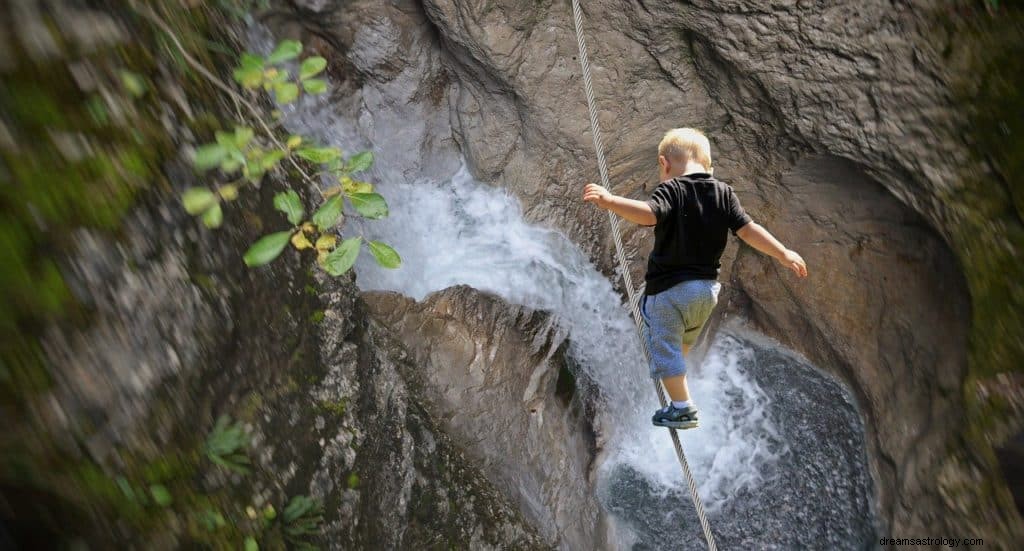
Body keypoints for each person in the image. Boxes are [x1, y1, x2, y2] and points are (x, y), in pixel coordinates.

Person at [582, 128, 808, 429]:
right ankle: (677, 378)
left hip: (668, 293)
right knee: (681, 341)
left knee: (661, 344)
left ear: (665, 164)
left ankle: (682, 407)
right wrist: (783, 253)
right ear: (708, 166)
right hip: (705, 294)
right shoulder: (724, 192)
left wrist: (610, 201)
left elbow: (649, 214)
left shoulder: (671, 189)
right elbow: (748, 230)